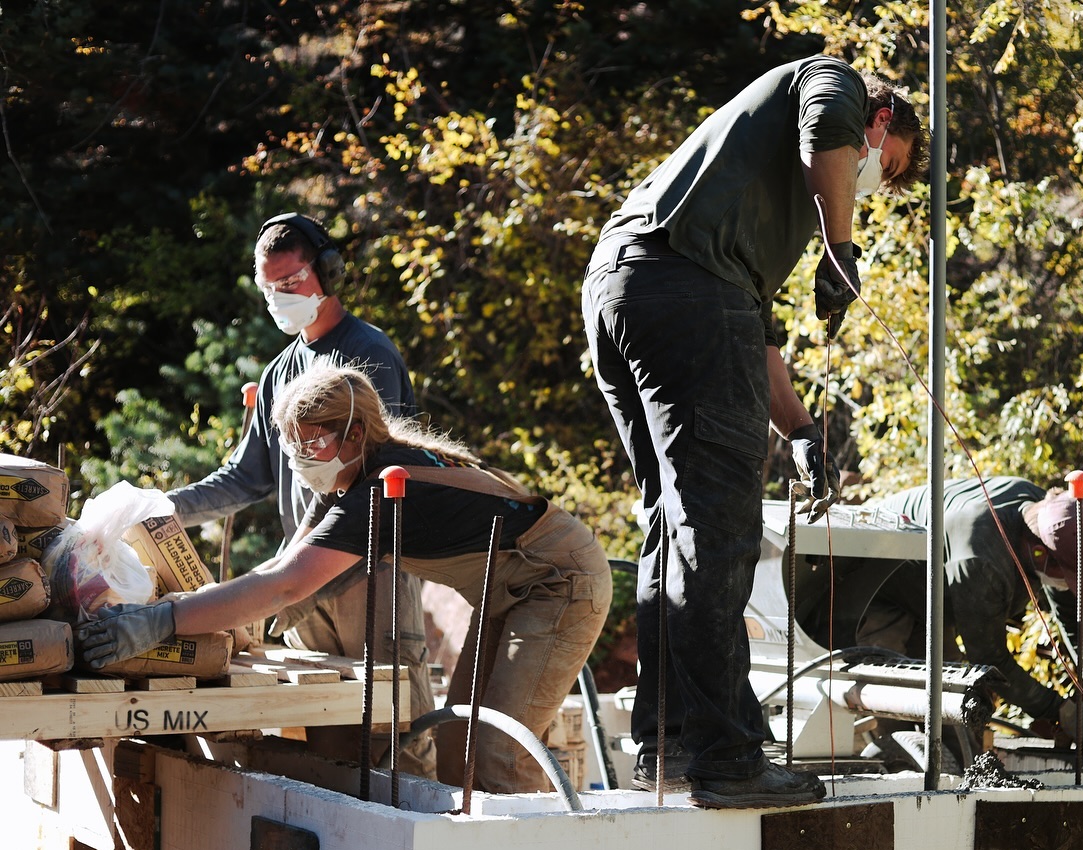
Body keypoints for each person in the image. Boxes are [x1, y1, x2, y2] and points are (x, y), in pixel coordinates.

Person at [581, 55, 928, 808]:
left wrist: (799, 427)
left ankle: (669, 743)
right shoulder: (829, 78)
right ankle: (727, 757)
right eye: (885, 163)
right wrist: (843, 244)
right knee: (717, 527)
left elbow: (756, 328)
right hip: (682, 291)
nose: (871, 179)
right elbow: (826, 123)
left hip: (626, 288)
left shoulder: (748, 203)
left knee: (673, 527)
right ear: (879, 122)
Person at [79, 362, 613, 794]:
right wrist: (205, 611)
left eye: (309, 445)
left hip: (559, 582)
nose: (299, 459)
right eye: (290, 447)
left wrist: (165, 620)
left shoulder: (376, 492)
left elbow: (286, 587)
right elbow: (281, 566)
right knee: (458, 745)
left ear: (354, 432)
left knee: (496, 753)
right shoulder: (347, 472)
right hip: (510, 591)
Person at [165, 213, 436, 776]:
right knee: (330, 741)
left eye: (291, 283)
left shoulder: (367, 356)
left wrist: (283, 573)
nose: (280, 297)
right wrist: (164, 509)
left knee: (392, 737)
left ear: (327, 273)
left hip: (368, 569)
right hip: (308, 573)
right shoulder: (278, 373)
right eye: (270, 288)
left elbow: (364, 472)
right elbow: (245, 477)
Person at [854, 476, 1083, 751]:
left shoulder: (1054, 516)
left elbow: (1073, 613)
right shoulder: (982, 559)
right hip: (871, 581)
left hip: (932, 593)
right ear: (1041, 553)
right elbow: (989, 662)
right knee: (894, 711)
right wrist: (1063, 713)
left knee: (954, 734)